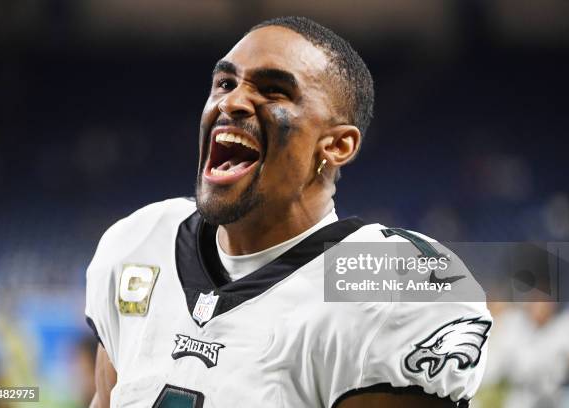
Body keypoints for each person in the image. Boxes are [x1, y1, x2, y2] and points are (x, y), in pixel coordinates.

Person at [85, 16, 491, 408]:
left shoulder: (389, 279)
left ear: (337, 146)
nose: (233, 101)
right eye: (225, 83)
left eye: (273, 90)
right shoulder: (139, 240)